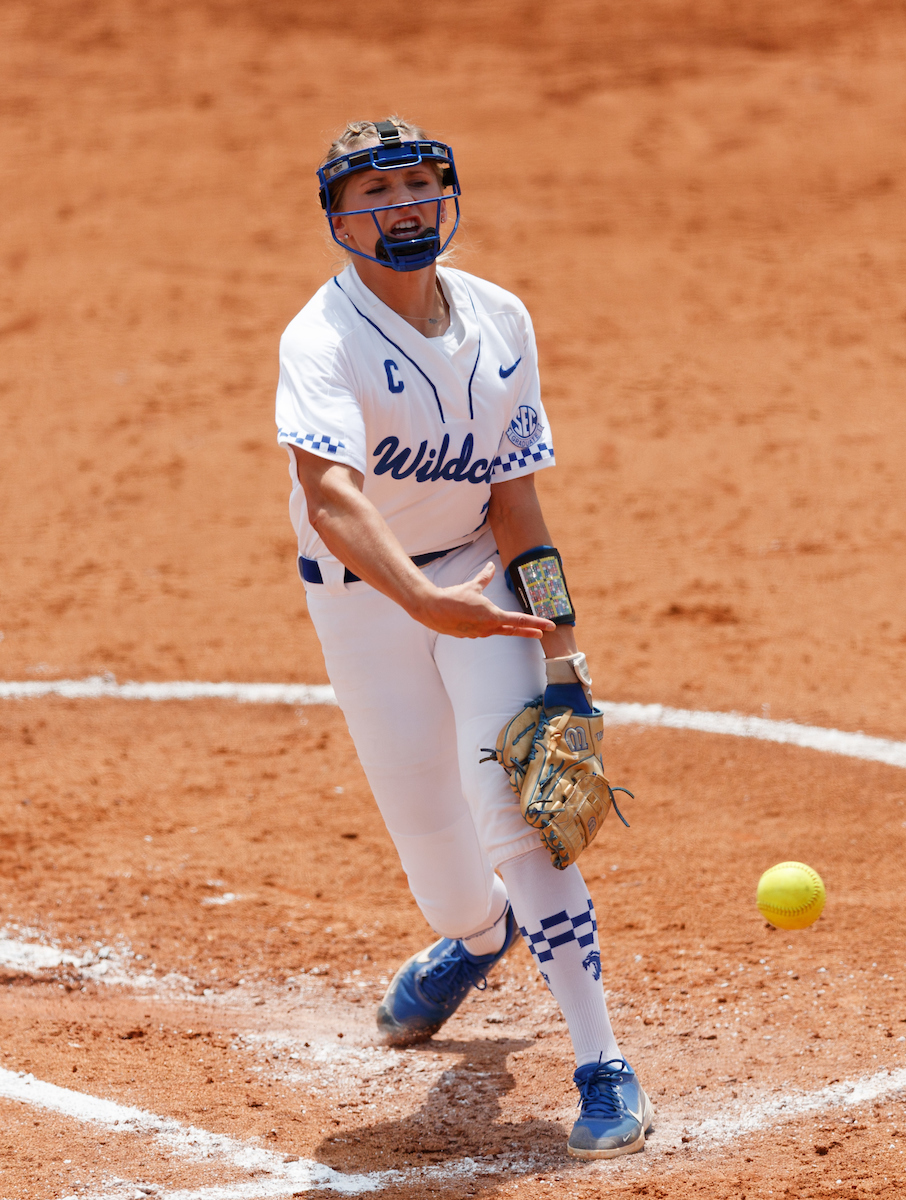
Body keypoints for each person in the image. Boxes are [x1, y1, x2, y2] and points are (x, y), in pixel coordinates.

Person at [274, 116, 653, 1159]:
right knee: (445, 872)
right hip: (366, 603)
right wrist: (424, 604)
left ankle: (602, 1063)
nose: (402, 206)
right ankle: (478, 937)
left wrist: (565, 655)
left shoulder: (499, 318)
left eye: (418, 184)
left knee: (519, 816)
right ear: (338, 219)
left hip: (482, 581)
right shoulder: (323, 339)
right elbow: (333, 499)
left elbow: (519, 505)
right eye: (375, 192)